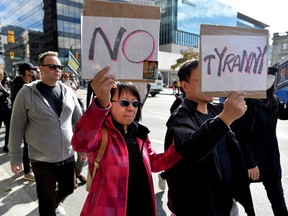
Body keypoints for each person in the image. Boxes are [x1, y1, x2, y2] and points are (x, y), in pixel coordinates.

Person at [71, 66, 182, 216]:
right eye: (124, 103)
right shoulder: (101, 134)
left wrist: (177, 151)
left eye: (135, 103)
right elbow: (81, 143)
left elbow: (154, 163)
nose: (131, 108)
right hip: (110, 210)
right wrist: (100, 104)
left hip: (143, 207)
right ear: (110, 104)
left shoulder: (140, 133)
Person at [163, 60, 255, 215]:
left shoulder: (216, 111)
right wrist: (225, 118)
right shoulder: (180, 118)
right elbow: (192, 149)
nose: (211, 84)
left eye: (213, 78)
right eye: (204, 80)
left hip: (226, 203)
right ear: (185, 86)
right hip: (197, 207)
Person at [8, 51, 83, 216]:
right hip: (41, 158)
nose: (57, 69)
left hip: (68, 155)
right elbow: (16, 127)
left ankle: (54, 205)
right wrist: (15, 157)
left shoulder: (68, 91)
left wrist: (83, 148)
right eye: (52, 66)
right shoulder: (26, 93)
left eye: (59, 66)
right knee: (45, 199)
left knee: (69, 188)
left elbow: (79, 122)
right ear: (41, 69)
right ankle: (50, 209)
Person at [231, 67, 288, 216]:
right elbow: (239, 135)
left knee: (279, 205)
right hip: (250, 161)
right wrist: (250, 163)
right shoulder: (246, 102)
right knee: (240, 201)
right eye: (266, 77)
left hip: (271, 161)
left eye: (271, 78)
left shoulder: (273, 100)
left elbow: (285, 114)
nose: (269, 80)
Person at [10, 62, 37, 181]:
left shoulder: (29, 83)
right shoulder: (18, 85)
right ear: (27, 72)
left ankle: (28, 165)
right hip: (23, 120)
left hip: (32, 120)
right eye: (32, 70)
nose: (34, 72)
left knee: (30, 145)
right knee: (27, 145)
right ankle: (26, 172)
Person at [0, 70, 11, 153]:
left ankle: (7, 146)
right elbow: (6, 94)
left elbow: (7, 94)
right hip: (1, 109)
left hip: (6, 109)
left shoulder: (6, 83)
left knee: (8, 129)